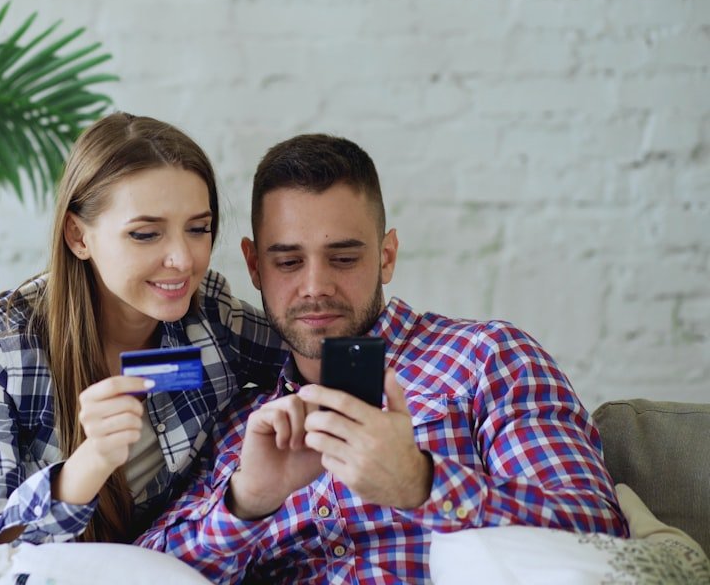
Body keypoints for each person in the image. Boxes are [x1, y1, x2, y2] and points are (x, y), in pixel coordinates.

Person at [135, 134, 628, 583]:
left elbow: (596, 530)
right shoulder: (241, 425)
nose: (315, 287)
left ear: (387, 256)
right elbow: (139, 571)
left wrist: (421, 483)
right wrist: (245, 505)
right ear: (254, 266)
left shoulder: (486, 358)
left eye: (344, 258)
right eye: (287, 262)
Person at [0, 112, 287, 545]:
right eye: (145, 234)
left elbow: (313, 358)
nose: (183, 259)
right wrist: (93, 459)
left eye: (198, 228)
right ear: (78, 236)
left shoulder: (212, 317)